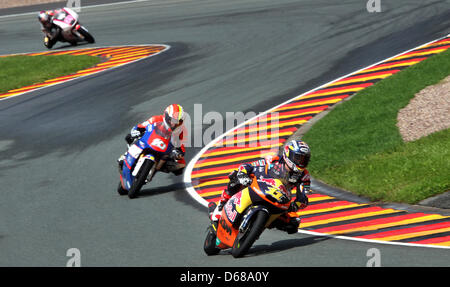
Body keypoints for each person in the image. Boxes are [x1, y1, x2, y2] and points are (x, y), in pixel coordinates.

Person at [209, 140, 311, 234]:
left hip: (278, 199)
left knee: (294, 223)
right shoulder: (273, 160)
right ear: (288, 154)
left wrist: (296, 205)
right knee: (235, 176)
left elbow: (303, 197)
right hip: (257, 187)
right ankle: (221, 205)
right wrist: (243, 174)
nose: (301, 162)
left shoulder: (304, 176)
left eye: (304, 160)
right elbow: (249, 166)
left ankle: (258, 227)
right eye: (298, 158)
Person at [118, 104, 188, 176]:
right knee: (130, 137)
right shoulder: (156, 119)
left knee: (181, 165)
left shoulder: (179, 132)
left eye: (178, 122)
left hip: (164, 151)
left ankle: (154, 169)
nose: (174, 124)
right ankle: (125, 156)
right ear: (167, 117)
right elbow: (141, 126)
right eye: (173, 120)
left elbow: (181, 148)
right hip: (149, 141)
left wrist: (178, 154)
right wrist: (136, 130)